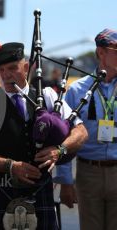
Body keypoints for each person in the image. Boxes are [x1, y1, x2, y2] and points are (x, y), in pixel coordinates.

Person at [0, 42, 88, 230]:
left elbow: (81, 131)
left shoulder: (48, 96)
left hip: (40, 190)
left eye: (12, 68)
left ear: (26, 67)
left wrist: (60, 150)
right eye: (0, 70)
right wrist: (10, 166)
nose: (6, 75)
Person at [57, 28, 117, 230]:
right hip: (88, 172)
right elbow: (65, 135)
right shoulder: (77, 90)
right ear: (101, 53)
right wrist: (65, 181)